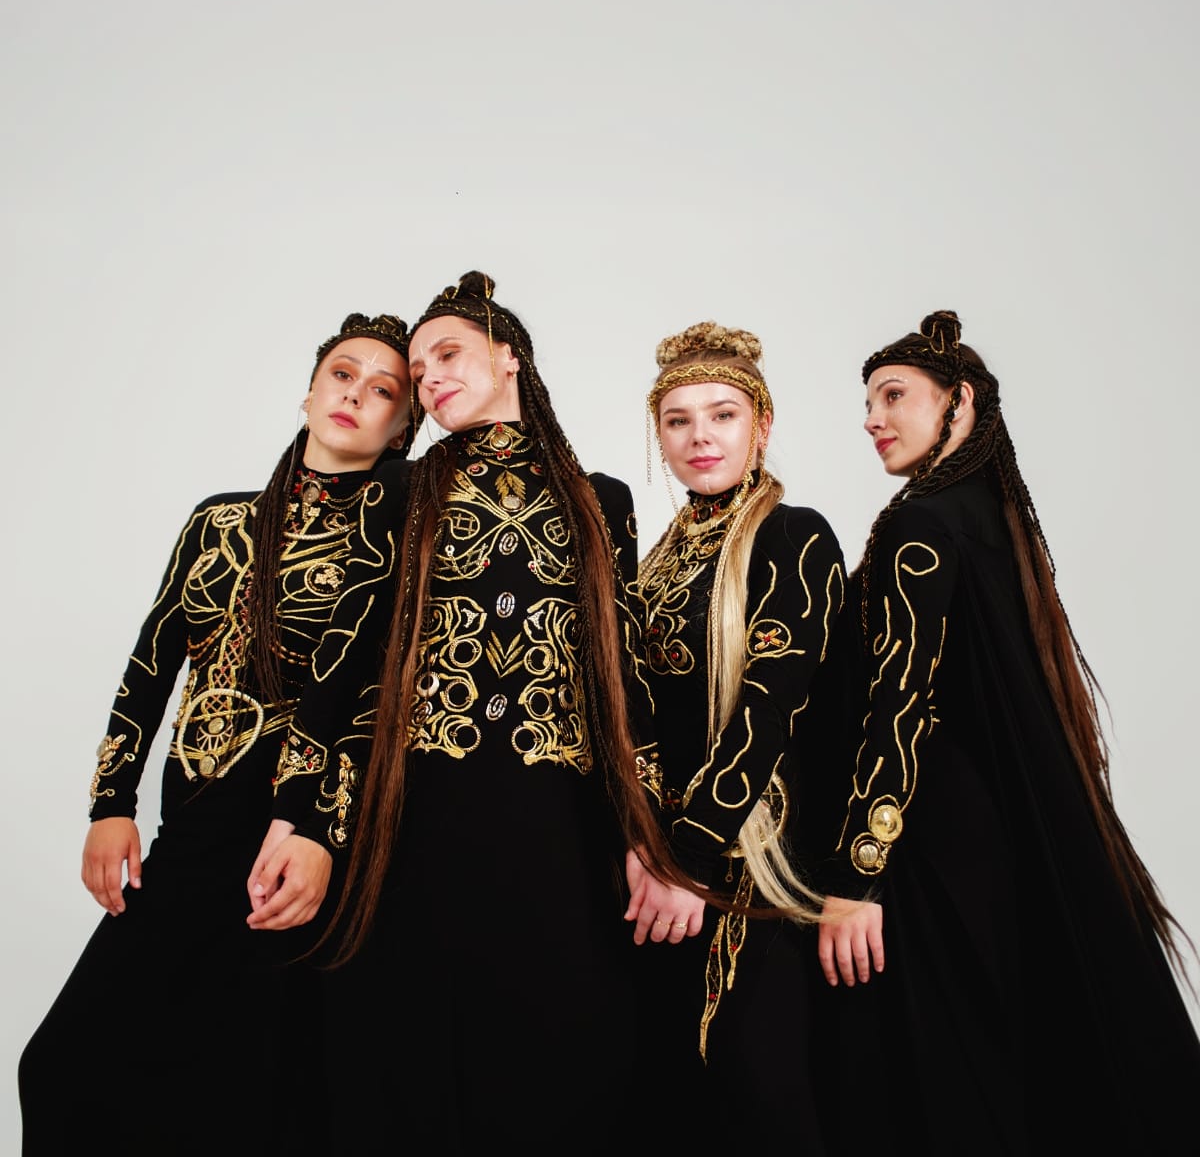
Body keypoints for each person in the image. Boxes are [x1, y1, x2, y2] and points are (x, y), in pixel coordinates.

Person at [18, 312, 415, 1156]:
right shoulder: (218, 521)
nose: (355, 395)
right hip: (190, 830)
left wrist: (319, 831)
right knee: (64, 1068)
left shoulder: (396, 537)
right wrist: (110, 804)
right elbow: (151, 664)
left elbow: (372, 701)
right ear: (309, 390)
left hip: (294, 846)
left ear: (402, 427)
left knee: (249, 1094)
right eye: (343, 374)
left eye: (383, 390)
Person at [814, 310, 1200, 1154]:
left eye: (894, 396)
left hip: (927, 847)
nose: (872, 419)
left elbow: (901, 708)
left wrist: (855, 877)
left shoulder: (920, 526)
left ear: (960, 402)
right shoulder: (988, 516)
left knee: (940, 1085)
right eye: (868, 402)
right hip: (989, 840)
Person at [321, 270, 689, 1154]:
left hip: (563, 825)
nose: (431, 378)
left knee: (562, 1054)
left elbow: (624, 679)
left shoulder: (602, 500)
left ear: (509, 355)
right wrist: (301, 819)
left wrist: (653, 839)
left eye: (448, 354)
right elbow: (346, 670)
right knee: (421, 1056)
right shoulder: (399, 492)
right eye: (419, 371)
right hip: (423, 819)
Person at [631, 320, 846, 1147]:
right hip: (661, 857)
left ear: (761, 424)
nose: (701, 437)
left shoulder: (793, 536)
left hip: (754, 856)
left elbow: (771, 710)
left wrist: (688, 860)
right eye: (678, 420)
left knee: (756, 1080)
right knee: (672, 1090)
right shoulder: (659, 557)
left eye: (722, 415)